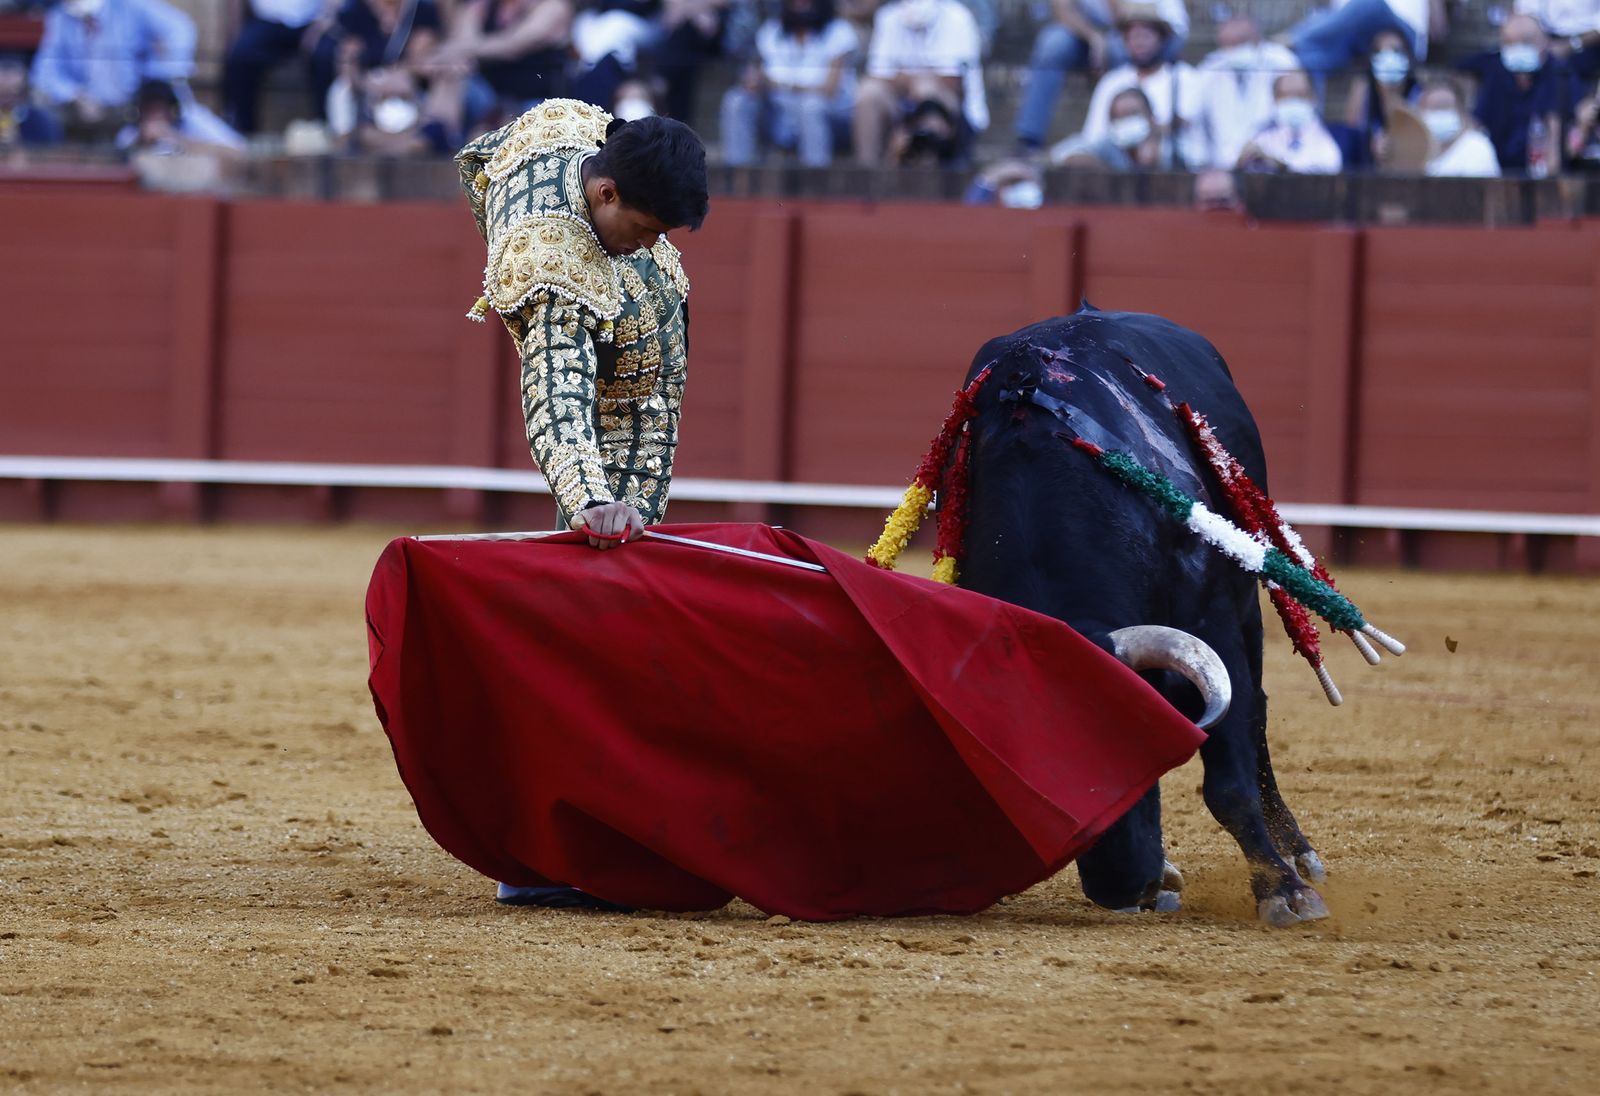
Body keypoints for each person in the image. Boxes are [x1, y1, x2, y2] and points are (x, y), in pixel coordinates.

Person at [455, 99, 708, 908]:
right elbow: (557, 392)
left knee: (621, 624)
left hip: (641, 400)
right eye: (644, 227)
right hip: (612, 428)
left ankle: (576, 836)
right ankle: (552, 850)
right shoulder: (550, 265)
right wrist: (593, 501)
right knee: (606, 626)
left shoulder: (577, 134)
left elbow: (500, 142)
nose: (652, 244)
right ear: (602, 196)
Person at [1012, 0, 1188, 151]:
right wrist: (1094, 38)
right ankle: (1030, 137)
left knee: (1123, 49)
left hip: (1141, 33)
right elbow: (1062, 10)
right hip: (1087, 34)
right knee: (1052, 44)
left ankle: (1130, 137)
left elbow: (1125, 18)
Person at [29, 0, 199, 137]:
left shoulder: (131, 6)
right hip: (84, 110)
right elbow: (44, 73)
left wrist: (156, 78)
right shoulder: (59, 17)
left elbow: (180, 29)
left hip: (134, 106)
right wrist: (74, 95)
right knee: (40, 104)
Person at [719, 0, 858, 167]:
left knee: (810, 106)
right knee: (737, 99)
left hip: (830, 117)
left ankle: (815, 181)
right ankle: (737, 175)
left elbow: (829, 89)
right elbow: (754, 76)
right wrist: (753, 81)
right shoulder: (771, 30)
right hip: (778, 114)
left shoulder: (839, 31)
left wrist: (782, 86)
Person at [853, 0, 986, 166]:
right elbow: (877, 75)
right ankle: (867, 171)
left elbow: (953, 82)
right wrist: (916, 81)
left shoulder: (957, 16)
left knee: (926, 91)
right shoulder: (888, 16)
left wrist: (911, 80)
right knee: (868, 92)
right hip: (901, 105)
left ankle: (925, 171)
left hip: (951, 110)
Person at [1075, 5, 1203, 168]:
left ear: (1161, 38)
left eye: (1145, 36)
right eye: (1132, 37)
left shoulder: (1184, 77)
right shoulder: (1111, 81)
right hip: (1116, 163)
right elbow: (1094, 134)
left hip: (1169, 163)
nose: (1139, 43)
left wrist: (1148, 131)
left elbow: (1186, 122)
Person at [1458, 13, 1583, 173]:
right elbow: (1478, 121)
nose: (1517, 48)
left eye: (1526, 41)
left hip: (1543, 176)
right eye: (1509, 42)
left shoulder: (1561, 74)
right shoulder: (1495, 71)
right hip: (1497, 174)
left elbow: (1569, 133)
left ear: (1544, 42)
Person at [434, 0, 572, 128]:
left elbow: (514, 46)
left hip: (533, 102)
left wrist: (461, 49)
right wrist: (460, 52)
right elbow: (463, 44)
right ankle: (437, 134)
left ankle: (437, 135)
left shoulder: (553, 6)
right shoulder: (481, 6)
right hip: (490, 95)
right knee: (453, 70)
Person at [1195, 14, 1301, 170]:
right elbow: (1197, 119)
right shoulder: (1209, 69)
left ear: (1257, 38)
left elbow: (1295, 113)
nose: (1235, 50)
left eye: (1241, 42)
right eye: (1228, 44)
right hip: (1222, 166)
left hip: (1273, 164)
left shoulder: (1282, 62)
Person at [222, 0, 332, 134]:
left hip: (314, 22)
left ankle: (326, 129)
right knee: (241, 55)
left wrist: (322, 24)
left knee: (325, 56)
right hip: (267, 21)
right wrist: (234, 32)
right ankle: (244, 133)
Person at [1286, 0, 1446, 84]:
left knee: (1369, 2)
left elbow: (1439, 31)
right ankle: (1312, 132)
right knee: (1308, 59)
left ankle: (1294, 38)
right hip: (1360, 37)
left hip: (1403, 31)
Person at [1339, 27, 1419, 169]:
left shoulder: (1419, 92)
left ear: (1408, 56)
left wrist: (1391, 92)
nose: (1389, 58)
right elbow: (1352, 132)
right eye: (1380, 52)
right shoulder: (1363, 89)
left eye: (1396, 51)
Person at [1237, 69, 1342, 173]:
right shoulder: (1260, 136)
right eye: (1285, 96)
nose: (1293, 101)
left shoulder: (1334, 136)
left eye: (1299, 95)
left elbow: (1329, 168)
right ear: (1274, 99)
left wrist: (1280, 166)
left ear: (1313, 97)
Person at [115, 76, 246, 157]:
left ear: (173, 110)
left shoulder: (194, 119)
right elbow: (121, 151)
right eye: (149, 109)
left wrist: (178, 139)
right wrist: (141, 142)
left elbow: (238, 149)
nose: (154, 115)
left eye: (159, 109)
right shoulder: (132, 133)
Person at [1048, 84, 1171, 169]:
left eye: (1134, 114)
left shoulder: (1171, 146)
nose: (1129, 122)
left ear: (1150, 116)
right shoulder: (1107, 145)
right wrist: (1104, 168)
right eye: (1121, 117)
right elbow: (1061, 155)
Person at [1416, 78, 1500, 176]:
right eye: (1433, 109)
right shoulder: (1413, 149)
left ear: (1461, 112)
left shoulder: (1478, 148)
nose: (1439, 115)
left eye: (1444, 107)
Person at [0, 53, 62, 149]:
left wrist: (18, 144)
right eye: (2, 95)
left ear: (24, 93)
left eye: (13, 94)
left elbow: (53, 156)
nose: (6, 103)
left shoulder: (41, 122)